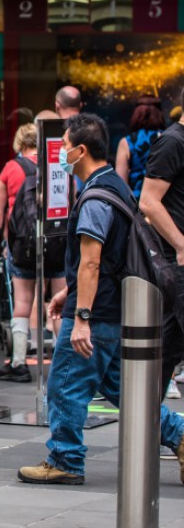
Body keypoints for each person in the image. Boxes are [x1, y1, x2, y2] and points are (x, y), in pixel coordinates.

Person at [19, 112, 184, 485]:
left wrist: (81, 317)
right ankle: (178, 433)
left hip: (99, 312)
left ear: (80, 150)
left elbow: (92, 263)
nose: (61, 154)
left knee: (65, 384)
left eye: (64, 147)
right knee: (123, 388)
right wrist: (68, 291)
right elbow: (106, 258)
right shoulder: (116, 185)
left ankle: (65, 459)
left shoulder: (94, 196)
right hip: (113, 307)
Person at [0, 123, 56, 382]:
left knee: (22, 302)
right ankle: (67, 362)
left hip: (22, 244)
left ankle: (19, 362)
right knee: (59, 304)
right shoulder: (53, 167)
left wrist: (8, 237)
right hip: (54, 243)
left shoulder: (11, 167)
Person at [140, 90, 184, 417]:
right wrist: (181, 245)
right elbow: (148, 202)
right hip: (178, 263)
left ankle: (149, 430)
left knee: (167, 351)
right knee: (165, 351)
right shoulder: (172, 142)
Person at [115, 95, 164, 199]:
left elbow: (121, 183)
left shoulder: (126, 142)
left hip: (136, 203)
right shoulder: (166, 139)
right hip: (162, 203)